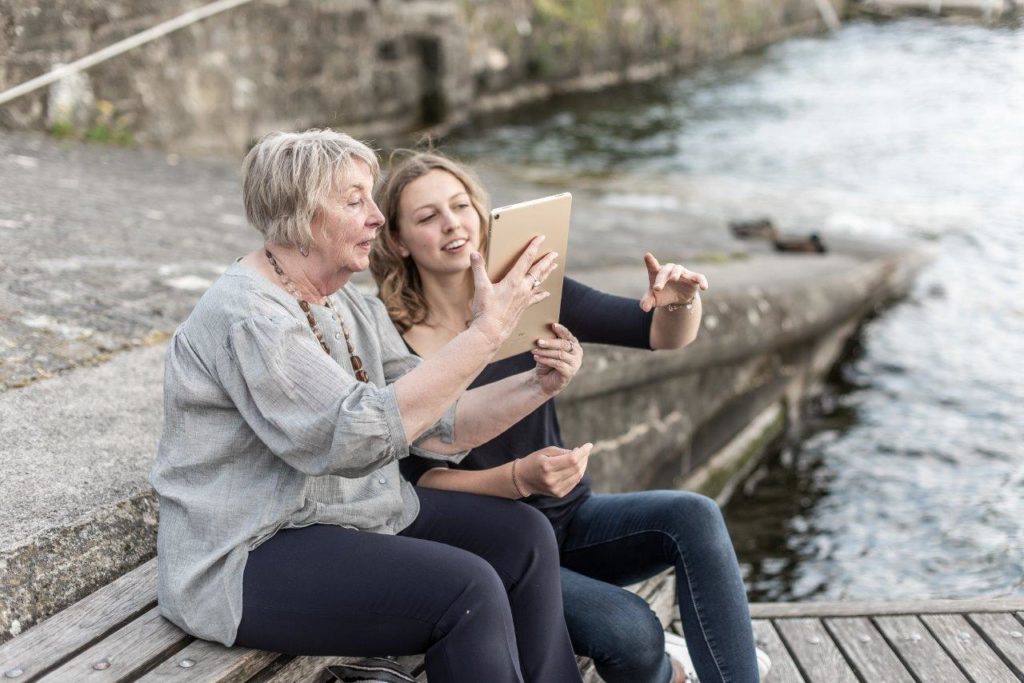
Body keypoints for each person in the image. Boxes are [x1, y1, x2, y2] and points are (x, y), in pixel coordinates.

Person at [150, 130, 593, 683]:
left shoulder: (348, 304)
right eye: (354, 199)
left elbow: (438, 425)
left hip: (352, 515)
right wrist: (488, 331)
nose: (377, 217)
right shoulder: (251, 316)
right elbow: (350, 436)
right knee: (467, 589)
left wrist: (538, 383)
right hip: (245, 555)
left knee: (522, 537)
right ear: (302, 215)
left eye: (372, 197)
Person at [370, 151, 771, 683]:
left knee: (694, 515)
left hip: (570, 521)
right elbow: (417, 482)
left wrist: (678, 301)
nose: (452, 224)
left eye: (461, 205)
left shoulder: (527, 293)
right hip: (493, 549)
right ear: (397, 241)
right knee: (630, 631)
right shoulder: (387, 341)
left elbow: (657, 333)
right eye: (427, 216)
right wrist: (517, 480)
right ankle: (668, 672)